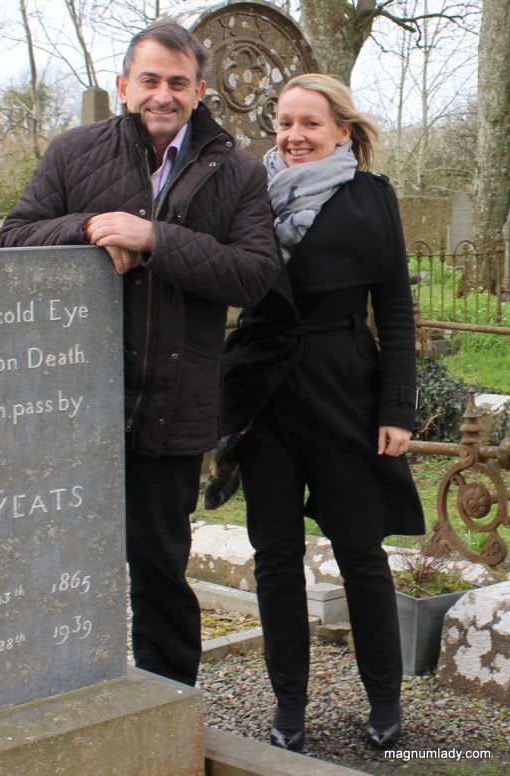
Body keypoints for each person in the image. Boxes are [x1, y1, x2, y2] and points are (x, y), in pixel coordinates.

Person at [0, 20, 280, 687]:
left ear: (199, 91)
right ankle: (63, 695)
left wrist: (153, 236)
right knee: (62, 563)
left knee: (159, 568)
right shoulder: (73, 153)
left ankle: (168, 703)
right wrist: (89, 227)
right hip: (76, 405)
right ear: (124, 86)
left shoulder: (237, 172)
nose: (163, 94)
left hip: (173, 408)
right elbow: (12, 237)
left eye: (178, 82)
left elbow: (253, 273)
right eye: (149, 80)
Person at [207, 74, 425, 750]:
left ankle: (384, 700)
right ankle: (289, 707)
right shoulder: (247, 196)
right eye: (284, 124)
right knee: (273, 555)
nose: (294, 136)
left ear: (341, 131)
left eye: (309, 124)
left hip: (343, 393)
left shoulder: (371, 197)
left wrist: (397, 407)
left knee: (361, 552)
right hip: (265, 398)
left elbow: (392, 306)